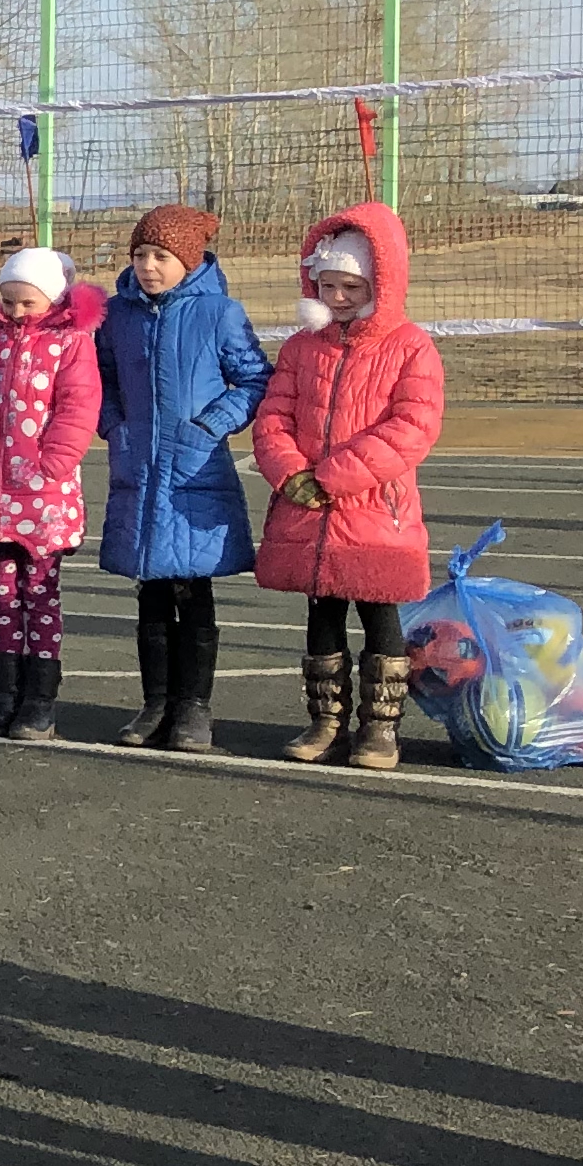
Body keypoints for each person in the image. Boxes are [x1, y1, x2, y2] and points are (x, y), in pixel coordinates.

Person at [253, 206, 443, 769]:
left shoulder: (410, 346)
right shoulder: (300, 347)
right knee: (322, 613)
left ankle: (380, 729)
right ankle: (325, 722)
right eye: (327, 284)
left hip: (375, 511)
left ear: (378, 285)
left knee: (381, 616)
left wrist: (334, 476)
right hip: (311, 510)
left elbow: (413, 427)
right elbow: (273, 417)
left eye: (349, 286)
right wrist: (291, 473)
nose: (335, 296)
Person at [96, 202, 271, 754]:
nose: (148, 266)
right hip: (139, 470)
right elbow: (99, 379)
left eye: (161, 256)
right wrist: (116, 429)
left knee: (194, 588)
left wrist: (208, 426)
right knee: (149, 589)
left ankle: (194, 706)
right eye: (140, 254)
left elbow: (252, 379)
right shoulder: (116, 316)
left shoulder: (219, 313)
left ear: (188, 261)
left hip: (194, 468)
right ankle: (155, 702)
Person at [0, 245, 104, 743]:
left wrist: (52, 464)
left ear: (51, 301)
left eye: (27, 303)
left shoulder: (71, 342)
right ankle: (4, 695)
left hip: (43, 495)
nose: (15, 312)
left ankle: (40, 700)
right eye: (8, 301)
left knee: (40, 593)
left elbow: (78, 406)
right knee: (2, 592)